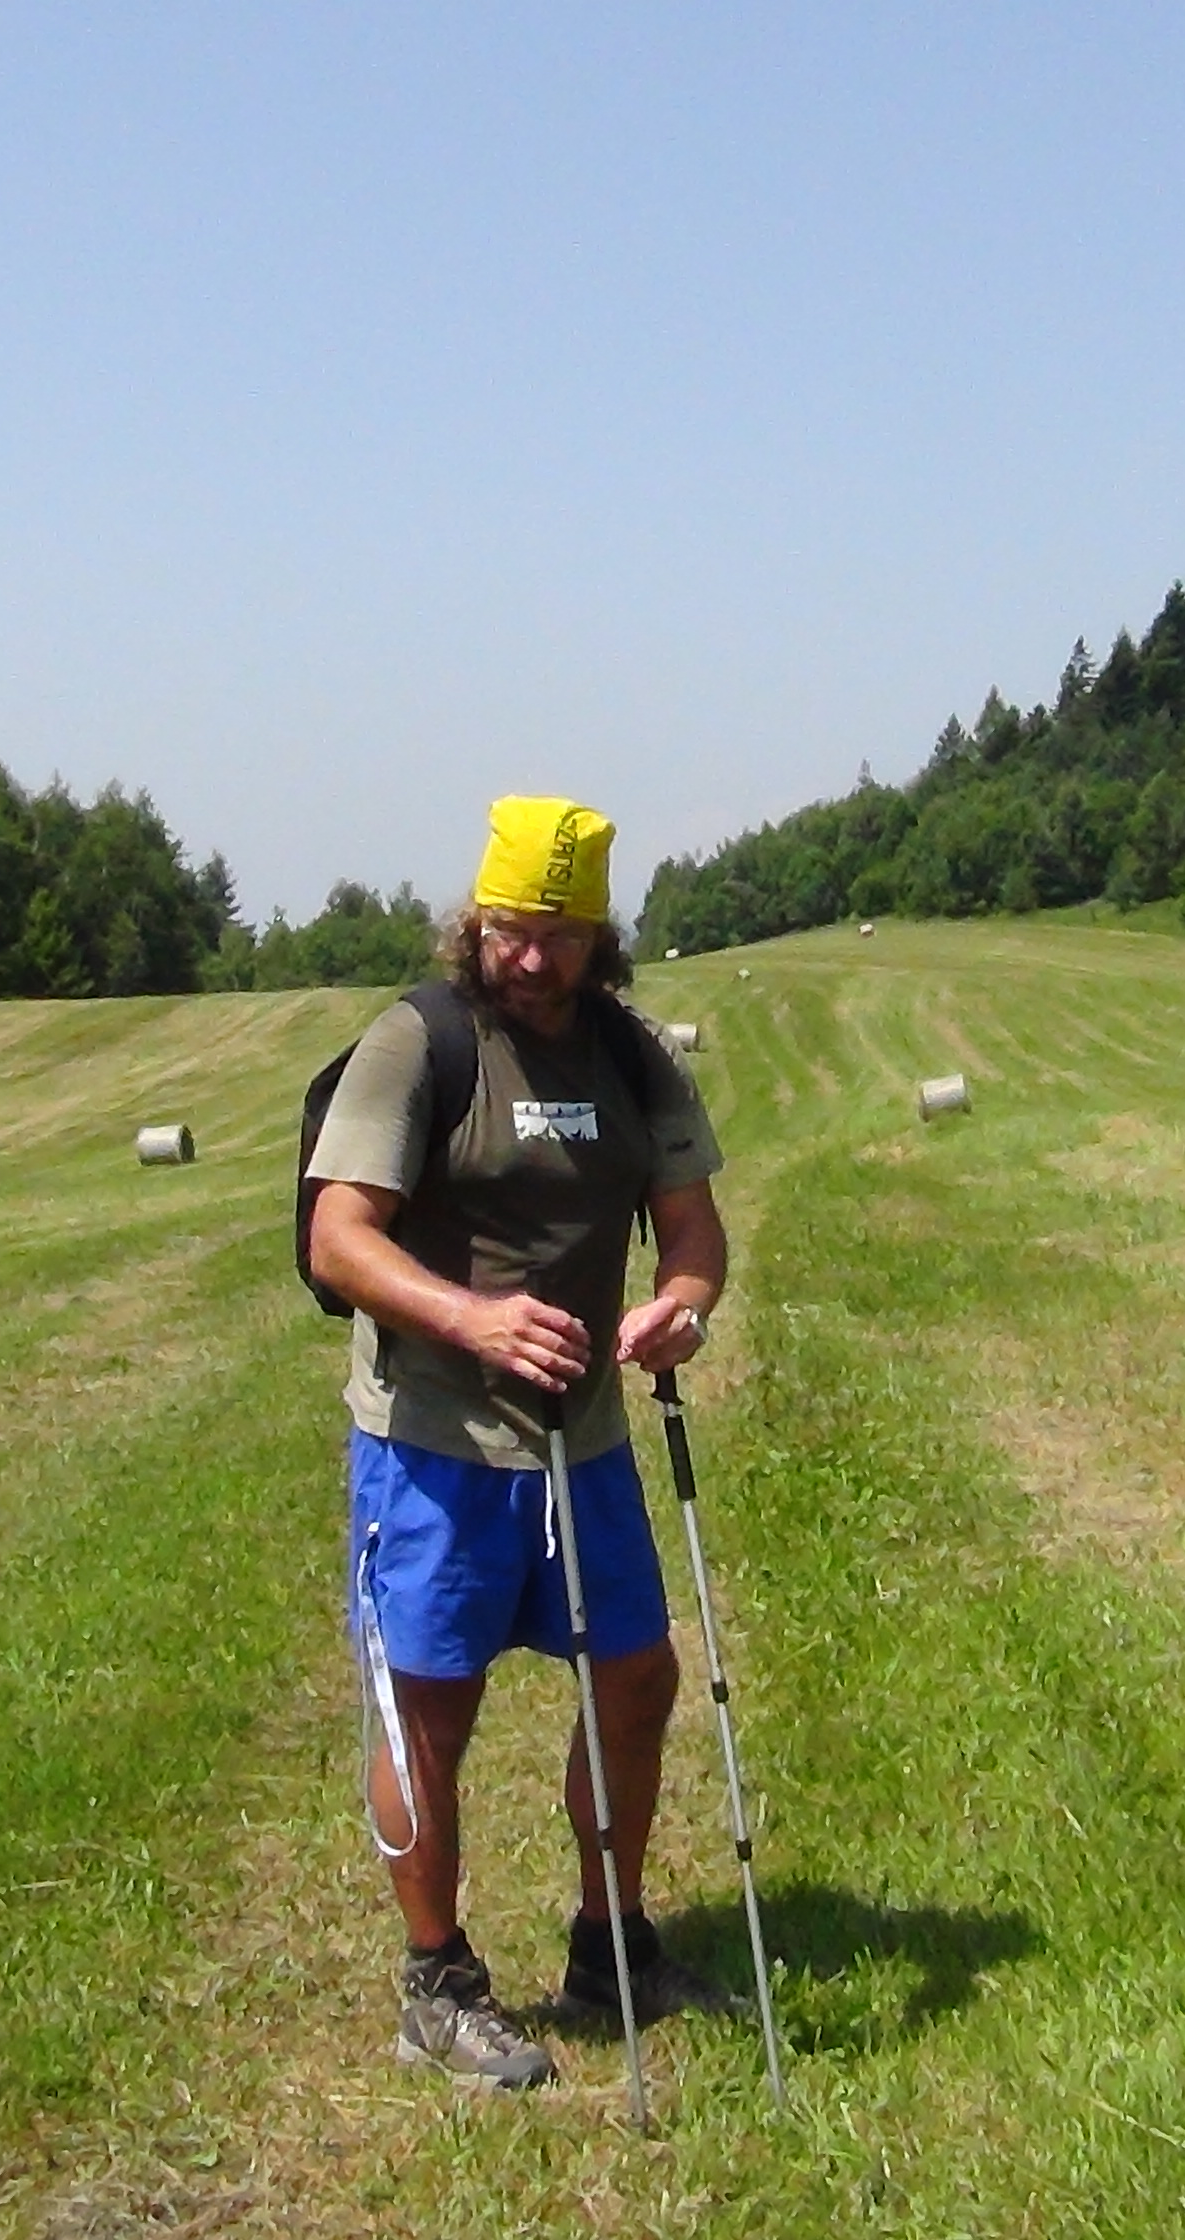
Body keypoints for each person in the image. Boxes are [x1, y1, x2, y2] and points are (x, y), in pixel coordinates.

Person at [302, 795, 741, 2091]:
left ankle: (612, 1948)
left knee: (636, 1682)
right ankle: (436, 1982)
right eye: (508, 929)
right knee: (431, 1710)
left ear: (601, 939)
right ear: (473, 920)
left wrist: (684, 1306)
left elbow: (693, 1231)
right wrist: (472, 1320)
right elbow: (339, 1238)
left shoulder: (632, 1055)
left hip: (585, 1438)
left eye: (558, 934)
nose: (530, 957)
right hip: (435, 1445)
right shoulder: (420, 1044)